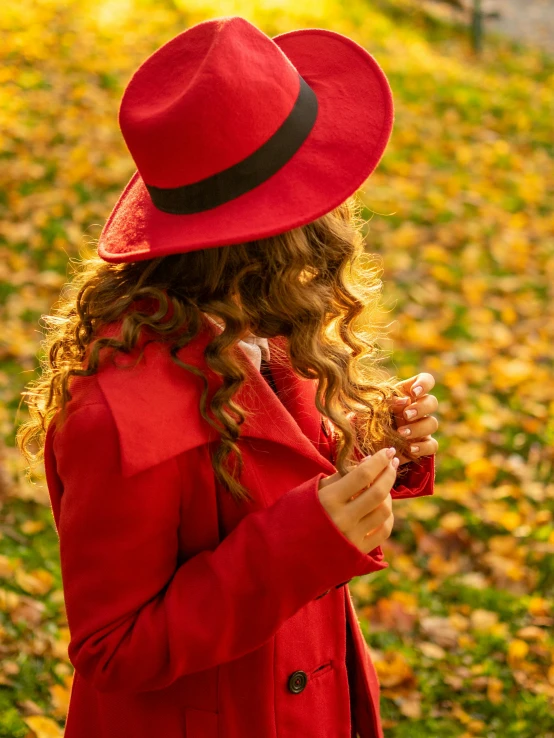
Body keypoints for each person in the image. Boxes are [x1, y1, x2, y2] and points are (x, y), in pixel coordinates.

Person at [17, 15, 439, 738]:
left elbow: (274, 461)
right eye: (315, 193)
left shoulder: (258, 325)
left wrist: (375, 449)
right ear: (272, 234)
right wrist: (306, 540)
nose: (335, 217)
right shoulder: (120, 414)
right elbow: (111, 648)